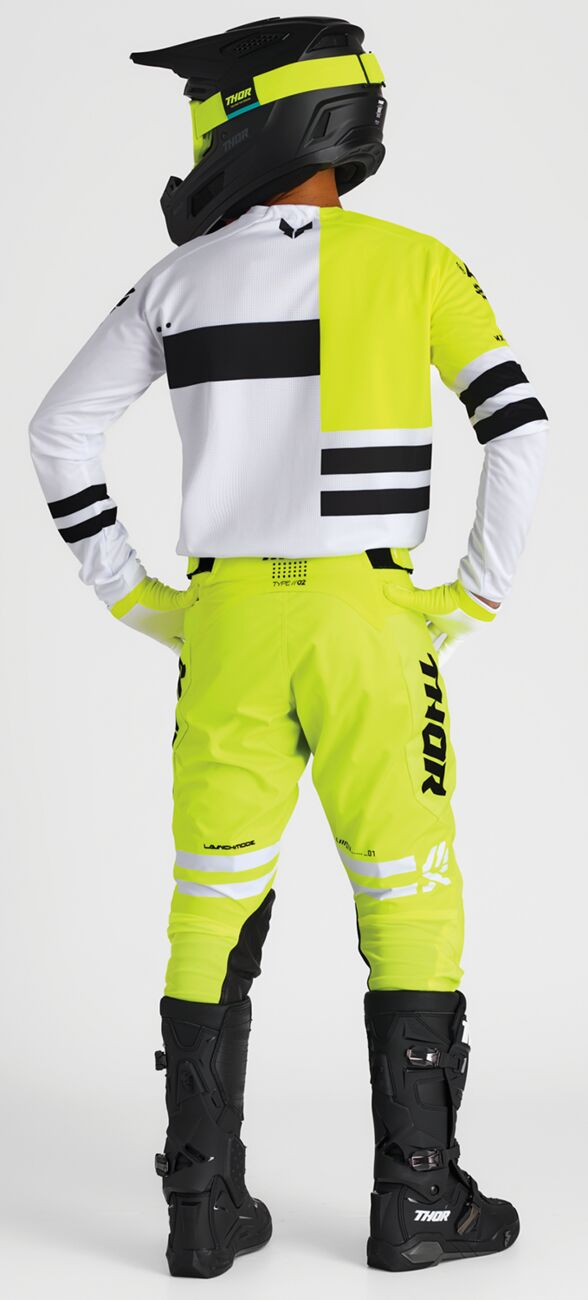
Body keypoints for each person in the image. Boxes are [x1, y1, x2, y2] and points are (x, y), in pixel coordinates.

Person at [28, 15, 548, 1280]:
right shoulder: (419, 263)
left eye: (204, 112)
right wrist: (476, 598)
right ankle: (419, 1202)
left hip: (227, 628)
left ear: (254, 123)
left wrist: (133, 597)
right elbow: (520, 430)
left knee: (210, 898)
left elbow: (58, 432)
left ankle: (200, 1207)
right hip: (375, 623)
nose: (194, 140)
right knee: (410, 891)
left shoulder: (178, 282)